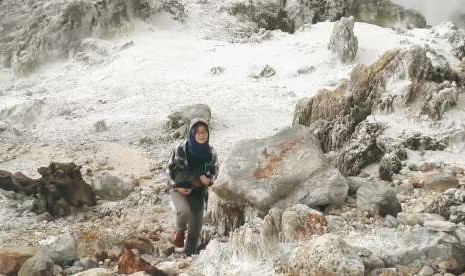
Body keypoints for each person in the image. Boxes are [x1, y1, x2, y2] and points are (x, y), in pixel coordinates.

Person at [166, 118, 218, 256]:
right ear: (192, 133)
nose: (201, 135)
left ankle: (187, 255)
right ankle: (179, 232)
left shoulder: (211, 153)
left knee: (196, 227)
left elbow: (214, 174)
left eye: (204, 132)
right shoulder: (179, 150)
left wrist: (207, 180)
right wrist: (176, 187)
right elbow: (168, 170)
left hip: (197, 191)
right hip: (178, 189)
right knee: (184, 211)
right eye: (198, 132)